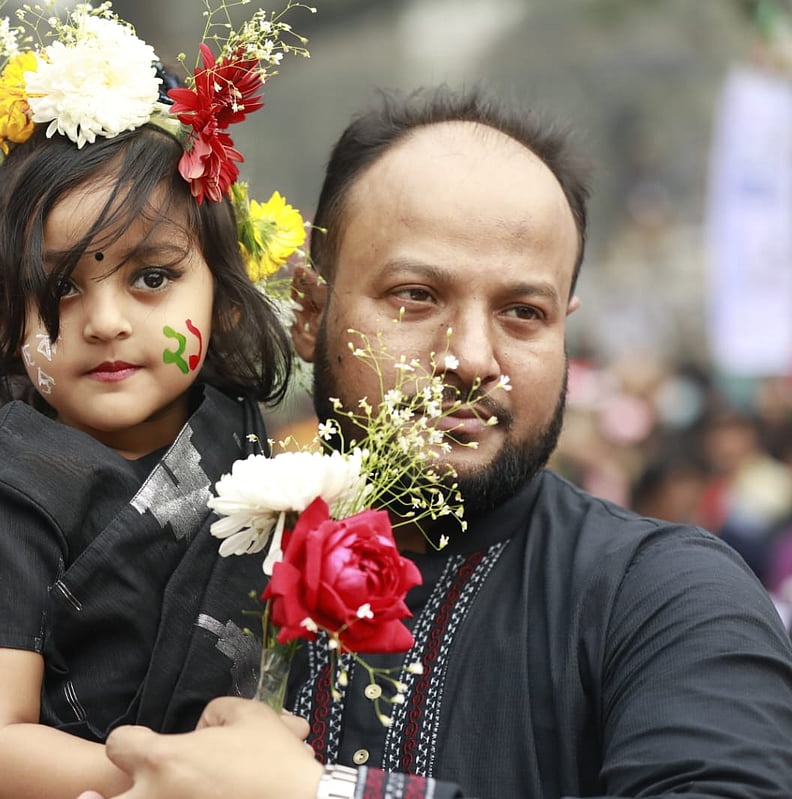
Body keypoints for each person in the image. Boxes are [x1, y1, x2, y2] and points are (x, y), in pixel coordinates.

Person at [78, 86, 792, 799]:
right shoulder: (174, 566)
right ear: (311, 311)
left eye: (523, 312)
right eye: (416, 296)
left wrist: (328, 792)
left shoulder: (665, 597)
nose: (474, 356)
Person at [0, 4, 307, 798]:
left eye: (153, 277)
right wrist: (177, 778)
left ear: (226, 292)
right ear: (7, 319)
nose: (106, 322)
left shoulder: (242, 444)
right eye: (59, 287)